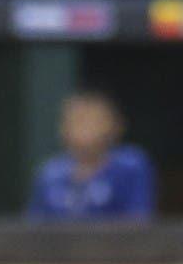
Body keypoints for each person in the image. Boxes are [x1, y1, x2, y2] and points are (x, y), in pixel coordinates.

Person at [26, 90, 156, 222]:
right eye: (75, 120)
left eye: (92, 120)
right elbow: (34, 227)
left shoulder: (130, 165)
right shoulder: (50, 173)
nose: (83, 129)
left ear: (114, 125)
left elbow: (138, 222)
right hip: (61, 243)